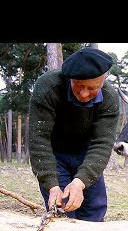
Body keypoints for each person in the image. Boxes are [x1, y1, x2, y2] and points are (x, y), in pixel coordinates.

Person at [29, 47, 120, 221]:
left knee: (94, 210)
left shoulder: (109, 98)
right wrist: (51, 185)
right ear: (69, 78)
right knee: (62, 210)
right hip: (55, 153)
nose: (84, 94)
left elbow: (102, 143)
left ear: (104, 79)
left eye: (92, 88)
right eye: (78, 86)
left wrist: (80, 181)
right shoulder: (48, 87)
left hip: (87, 153)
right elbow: (39, 139)